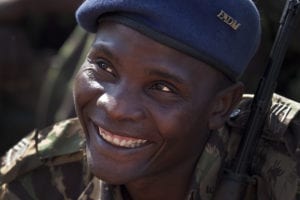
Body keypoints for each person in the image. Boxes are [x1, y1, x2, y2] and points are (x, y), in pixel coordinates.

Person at [1, 0, 300, 199]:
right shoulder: (38, 174)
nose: (114, 107)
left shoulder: (287, 163)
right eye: (103, 67)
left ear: (221, 105)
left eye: (162, 87)